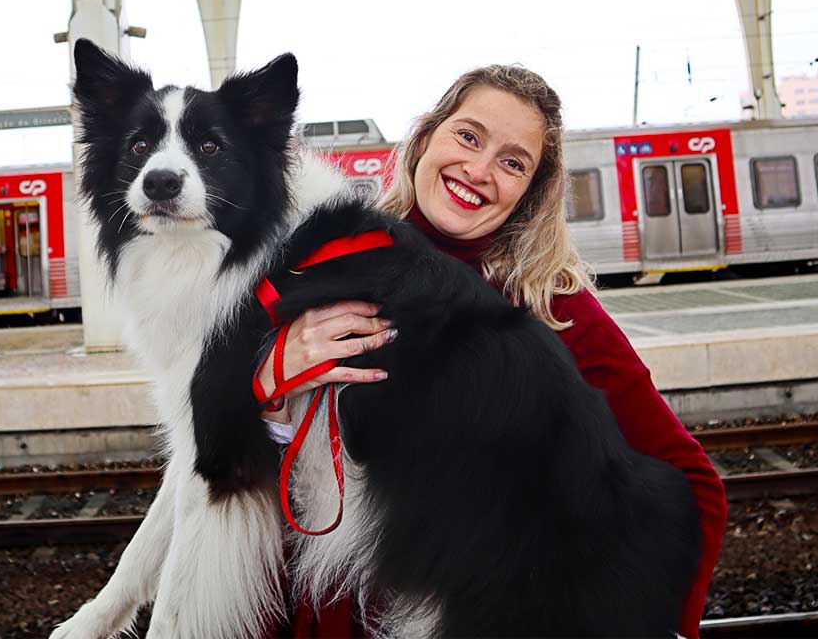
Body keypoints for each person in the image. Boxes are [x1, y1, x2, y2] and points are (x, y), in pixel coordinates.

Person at [254, 64, 727, 638]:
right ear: (426, 137)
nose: (478, 171)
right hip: (339, 614)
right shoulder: (330, 263)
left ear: (531, 191)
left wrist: (663, 627)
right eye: (468, 136)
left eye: (512, 162)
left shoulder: (553, 307)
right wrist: (271, 389)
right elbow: (252, 485)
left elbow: (693, 482)